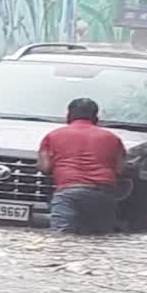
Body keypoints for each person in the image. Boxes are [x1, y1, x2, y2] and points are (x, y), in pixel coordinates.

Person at [37, 98, 126, 234]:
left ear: (68, 116)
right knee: (100, 238)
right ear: (96, 118)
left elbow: (45, 167)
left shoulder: (52, 136)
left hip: (68, 193)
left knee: (62, 237)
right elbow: (119, 169)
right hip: (103, 195)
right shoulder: (113, 138)